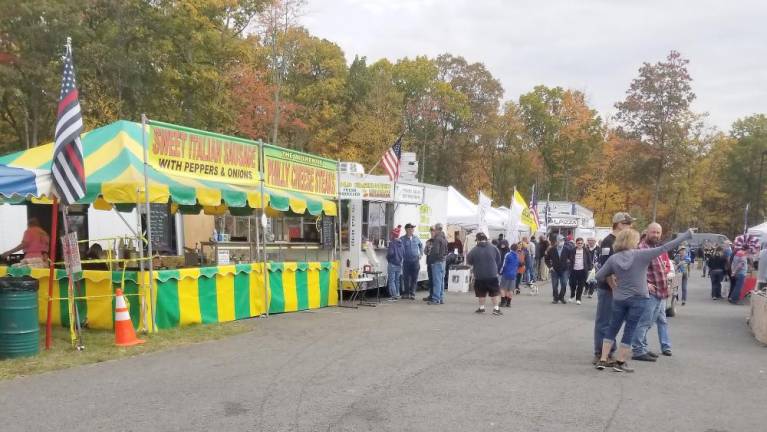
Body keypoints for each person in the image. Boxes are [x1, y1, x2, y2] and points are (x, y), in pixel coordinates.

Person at [595, 228, 692, 373]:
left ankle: (602, 359)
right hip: (639, 298)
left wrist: (614, 287)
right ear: (633, 241)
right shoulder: (642, 255)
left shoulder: (613, 258)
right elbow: (666, 247)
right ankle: (620, 362)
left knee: (612, 328)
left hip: (619, 298)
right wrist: (686, 235)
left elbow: (599, 275)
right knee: (630, 329)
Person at [592, 212, 634, 365]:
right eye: (628, 224)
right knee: (604, 321)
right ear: (620, 224)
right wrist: (613, 287)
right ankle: (600, 353)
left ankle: (609, 350)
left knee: (613, 321)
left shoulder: (620, 242)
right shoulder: (608, 242)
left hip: (618, 289)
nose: (630, 227)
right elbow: (605, 268)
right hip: (609, 288)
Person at [631, 222, 674, 361]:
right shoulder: (642, 248)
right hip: (648, 293)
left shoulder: (657, 248)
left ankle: (642, 347)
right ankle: (638, 350)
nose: (655, 235)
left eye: (658, 233)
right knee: (643, 322)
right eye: (653, 232)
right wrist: (646, 283)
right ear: (647, 232)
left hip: (660, 292)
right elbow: (634, 269)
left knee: (649, 322)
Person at [467, 232, 503, 315]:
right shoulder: (494, 248)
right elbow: (498, 259)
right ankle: (496, 309)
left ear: (478, 240)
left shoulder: (474, 250)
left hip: (479, 275)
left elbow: (469, 261)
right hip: (492, 274)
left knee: (481, 293)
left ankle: (482, 308)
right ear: (486, 239)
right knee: (494, 292)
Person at [545, 235, 573, 304]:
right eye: (560, 240)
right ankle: (555, 298)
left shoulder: (567, 249)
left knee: (564, 283)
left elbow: (571, 258)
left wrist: (569, 263)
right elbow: (546, 259)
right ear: (557, 241)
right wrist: (550, 266)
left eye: (563, 240)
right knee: (554, 285)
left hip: (564, 270)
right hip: (554, 270)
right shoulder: (552, 249)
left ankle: (561, 297)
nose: (562, 242)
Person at [427, 223, 448, 305]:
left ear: (437, 229)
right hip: (443, 261)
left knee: (437, 281)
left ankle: (435, 299)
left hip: (436, 262)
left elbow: (435, 252)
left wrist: (432, 260)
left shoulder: (437, 239)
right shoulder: (444, 239)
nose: (434, 231)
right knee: (441, 281)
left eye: (435, 229)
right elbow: (446, 251)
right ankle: (441, 298)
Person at [400, 223, 423, 300]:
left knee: (414, 278)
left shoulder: (416, 238)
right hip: (406, 261)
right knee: (406, 278)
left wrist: (421, 254)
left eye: (413, 229)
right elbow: (399, 249)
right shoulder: (402, 239)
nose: (412, 230)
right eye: (410, 229)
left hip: (415, 261)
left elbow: (421, 246)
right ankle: (406, 293)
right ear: (406, 229)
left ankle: (412, 293)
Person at [569, 238, 592, 305]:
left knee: (581, 285)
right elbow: (570, 259)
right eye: (578, 243)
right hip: (574, 270)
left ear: (583, 244)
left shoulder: (586, 250)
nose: (580, 244)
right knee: (572, 284)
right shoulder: (573, 250)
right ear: (576, 243)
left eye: (581, 243)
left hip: (582, 270)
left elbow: (589, 260)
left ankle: (578, 298)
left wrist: (590, 269)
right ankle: (572, 295)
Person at [386, 227, 404, 301]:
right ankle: (397, 294)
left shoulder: (392, 243)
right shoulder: (401, 243)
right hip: (399, 264)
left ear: (393, 235)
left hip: (392, 263)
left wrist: (387, 257)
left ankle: (394, 296)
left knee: (391, 280)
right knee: (397, 280)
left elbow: (391, 253)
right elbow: (404, 253)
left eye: (391, 234)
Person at [499, 243, 519, 307]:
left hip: (506, 273)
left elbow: (504, 264)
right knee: (510, 289)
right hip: (513, 274)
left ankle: (502, 302)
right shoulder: (517, 256)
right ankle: (508, 303)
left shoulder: (508, 254)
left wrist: (500, 272)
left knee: (502, 288)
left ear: (511, 248)